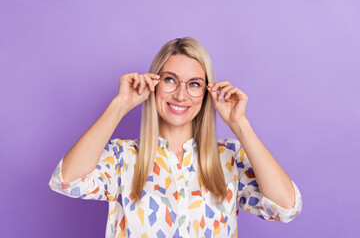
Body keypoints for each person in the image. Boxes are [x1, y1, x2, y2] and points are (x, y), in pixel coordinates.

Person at [49, 37, 302, 238]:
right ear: (154, 84)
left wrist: (240, 124)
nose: (181, 95)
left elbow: (287, 207)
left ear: (206, 92)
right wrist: (120, 105)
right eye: (170, 80)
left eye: (194, 84)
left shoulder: (229, 158)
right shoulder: (122, 157)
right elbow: (66, 181)